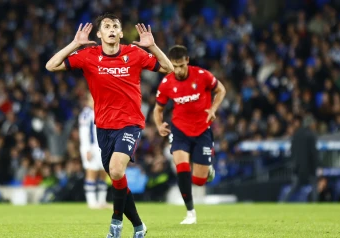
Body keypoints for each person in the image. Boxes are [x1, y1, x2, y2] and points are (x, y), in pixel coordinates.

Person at [46, 13, 173, 238]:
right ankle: (139, 226)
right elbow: (51, 65)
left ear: (121, 33)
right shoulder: (88, 56)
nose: (112, 28)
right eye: (107, 26)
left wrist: (152, 47)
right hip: (103, 127)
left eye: (115, 25)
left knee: (116, 170)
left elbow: (169, 68)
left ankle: (115, 223)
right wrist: (75, 44)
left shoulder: (134, 53)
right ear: (100, 33)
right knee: (117, 178)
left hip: (130, 123)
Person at [153, 45, 226, 224]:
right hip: (180, 130)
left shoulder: (202, 76)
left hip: (202, 129)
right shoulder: (167, 82)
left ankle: (207, 169)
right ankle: (190, 212)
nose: (177, 70)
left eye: (180, 65)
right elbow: (158, 108)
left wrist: (213, 109)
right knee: (182, 167)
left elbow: (221, 90)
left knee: (199, 181)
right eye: (174, 66)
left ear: (187, 61)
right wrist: (159, 124)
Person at [79, 92, 110, 209]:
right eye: (92, 99)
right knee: (91, 172)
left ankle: (102, 201)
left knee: (103, 173)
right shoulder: (86, 114)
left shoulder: (102, 111)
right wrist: (87, 149)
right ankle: (91, 202)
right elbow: (84, 134)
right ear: (87, 101)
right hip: (90, 148)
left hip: (102, 147)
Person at [281, 115, 319, 202]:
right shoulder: (311, 135)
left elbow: (292, 150)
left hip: (298, 167)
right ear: (310, 124)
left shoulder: (297, 134)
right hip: (309, 167)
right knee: (314, 186)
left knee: (294, 187)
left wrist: (294, 163)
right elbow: (313, 153)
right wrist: (317, 165)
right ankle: (315, 204)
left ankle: (283, 202)